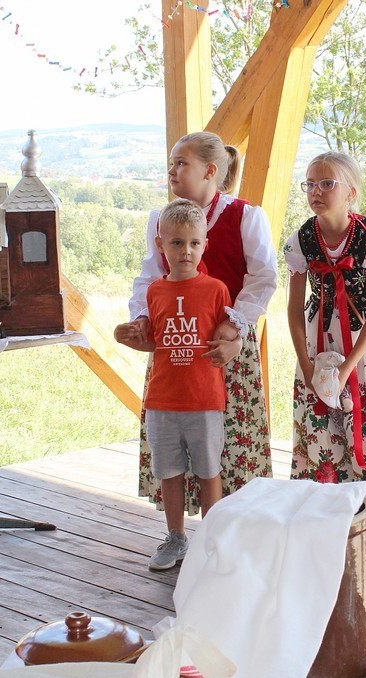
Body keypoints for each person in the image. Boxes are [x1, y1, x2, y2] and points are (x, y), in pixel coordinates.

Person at [126, 131, 278, 516]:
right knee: (173, 441)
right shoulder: (163, 221)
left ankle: (233, 526)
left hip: (222, 349)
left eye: (182, 163)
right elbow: (150, 276)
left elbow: (263, 276)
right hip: (177, 347)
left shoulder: (244, 216)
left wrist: (235, 324)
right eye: (171, 164)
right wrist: (142, 317)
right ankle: (178, 531)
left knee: (231, 441)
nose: (172, 171)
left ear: (210, 171)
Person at [115, 199, 240, 570]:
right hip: (163, 401)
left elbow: (226, 339)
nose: (186, 251)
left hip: (204, 400)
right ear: (161, 245)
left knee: (208, 471)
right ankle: (175, 538)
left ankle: (213, 541)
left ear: (204, 245)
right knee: (169, 472)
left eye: (194, 243)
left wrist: (230, 344)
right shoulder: (154, 291)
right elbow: (157, 342)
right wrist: (128, 337)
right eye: (177, 243)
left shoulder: (217, 290)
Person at [284, 151, 366, 497]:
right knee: (320, 425)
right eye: (310, 184)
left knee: (364, 420)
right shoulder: (303, 239)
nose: (316, 191)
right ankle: (322, 505)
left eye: (327, 183)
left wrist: (348, 367)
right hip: (319, 340)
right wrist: (307, 365)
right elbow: (293, 308)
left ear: (351, 192)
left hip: (360, 342)